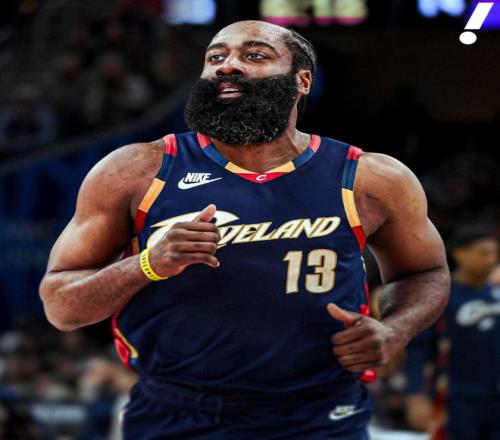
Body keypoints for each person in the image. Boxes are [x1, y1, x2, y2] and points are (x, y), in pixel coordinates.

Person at [40, 20, 450, 439]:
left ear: (302, 81)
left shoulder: (370, 177)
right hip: (176, 410)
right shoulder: (137, 170)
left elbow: (427, 272)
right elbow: (61, 307)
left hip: (321, 412)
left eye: (254, 55)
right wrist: (147, 264)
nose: (227, 66)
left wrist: (394, 329)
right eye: (215, 57)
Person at [405, 225, 500, 440]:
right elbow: (418, 349)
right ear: (460, 254)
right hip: (456, 398)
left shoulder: (496, 293)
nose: (491, 260)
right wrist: (415, 394)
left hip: (495, 395)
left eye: (494, 253)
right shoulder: (441, 297)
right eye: (483, 253)